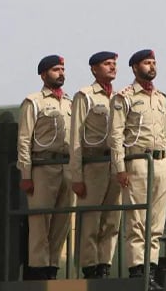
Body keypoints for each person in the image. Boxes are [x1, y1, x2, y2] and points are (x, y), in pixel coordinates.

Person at [108, 49, 166, 291]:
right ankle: (137, 271)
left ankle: (151, 272)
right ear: (134, 68)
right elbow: (115, 136)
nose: (151, 66)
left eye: (153, 62)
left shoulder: (161, 98)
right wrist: (120, 168)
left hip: (161, 163)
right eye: (146, 63)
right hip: (137, 162)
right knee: (137, 223)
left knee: (156, 224)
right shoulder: (125, 98)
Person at [17, 55, 74, 280]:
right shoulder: (34, 102)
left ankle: (52, 268)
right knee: (40, 222)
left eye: (62, 69)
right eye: (55, 70)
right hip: (43, 166)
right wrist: (26, 173)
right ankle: (39, 269)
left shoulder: (69, 103)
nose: (60, 73)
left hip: (66, 167)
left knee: (61, 222)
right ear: (43, 74)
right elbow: (24, 140)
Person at [69, 51, 121, 279]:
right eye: (107, 64)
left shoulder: (119, 98)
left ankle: (104, 264)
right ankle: (90, 267)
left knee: (112, 218)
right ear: (94, 69)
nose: (112, 67)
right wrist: (76, 176)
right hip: (94, 164)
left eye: (114, 64)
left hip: (114, 164)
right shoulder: (85, 96)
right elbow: (75, 138)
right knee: (91, 218)